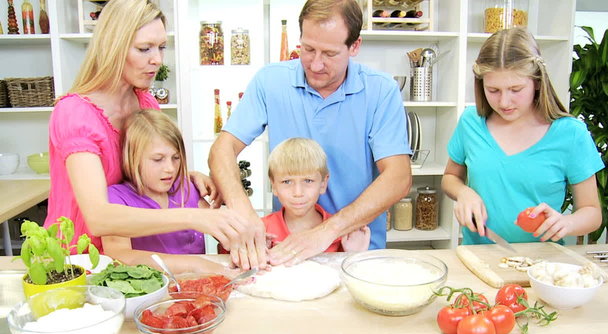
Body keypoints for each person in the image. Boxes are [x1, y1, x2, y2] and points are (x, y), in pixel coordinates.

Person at [209, 0, 411, 268]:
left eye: (329, 53)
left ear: (354, 47)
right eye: (308, 49)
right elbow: (222, 150)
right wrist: (242, 209)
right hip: (287, 252)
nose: (315, 64)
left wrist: (327, 232)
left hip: (357, 252)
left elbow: (398, 177)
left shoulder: (381, 90)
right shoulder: (270, 82)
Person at [45, 0, 249, 256]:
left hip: (126, 257)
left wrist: (186, 177)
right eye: (144, 49)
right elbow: (97, 217)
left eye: (161, 47)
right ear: (113, 47)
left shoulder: (145, 102)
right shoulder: (74, 113)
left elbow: (140, 170)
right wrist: (194, 217)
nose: (157, 60)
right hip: (77, 259)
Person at [441, 27, 604, 245]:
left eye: (516, 89)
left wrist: (567, 223)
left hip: (542, 263)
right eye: (493, 90)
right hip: (478, 258)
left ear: (537, 81)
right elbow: (450, 178)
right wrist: (463, 192)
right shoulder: (471, 122)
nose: (504, 102)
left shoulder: (571, 133)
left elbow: (592, 212)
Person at [101, 109, 235, 275]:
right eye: (158, 159)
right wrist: (193, 264)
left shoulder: (187, 188)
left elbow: (222, 229)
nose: (170, 168)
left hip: (196, 285)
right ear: (131, 158)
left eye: (176, 158)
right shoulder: (116, 198)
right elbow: (119, 256)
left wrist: (245, 238)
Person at [219, 138, 371, 255]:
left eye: (308, 180)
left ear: (323, 183)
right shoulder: (260, 229)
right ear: (274, 186)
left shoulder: (342, 234)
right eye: (287, 182)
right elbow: (231, 264)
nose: (298, 192)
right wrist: (254, 252)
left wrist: (353, 255)